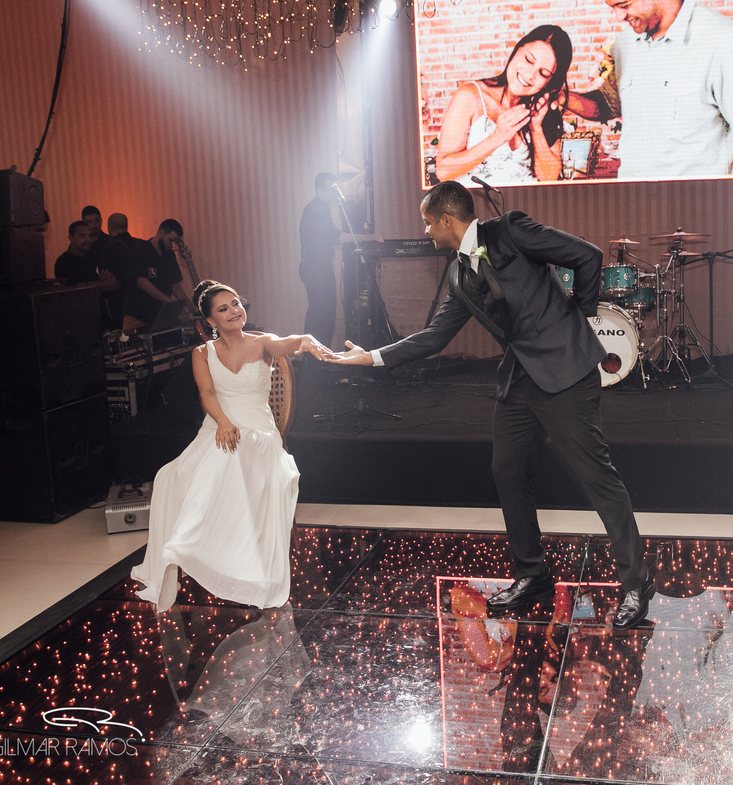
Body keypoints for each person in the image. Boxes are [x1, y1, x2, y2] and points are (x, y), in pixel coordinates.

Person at [330, 181, 654, 630]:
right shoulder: (460, 275)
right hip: (519, 380)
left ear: (446, 219)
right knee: (506, 470)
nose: (425, 232)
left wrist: (574, 322)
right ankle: (533, 575)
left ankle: (637, 583)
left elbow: (588, 256)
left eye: (428, 223)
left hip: (565, 374)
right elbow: (437, 335)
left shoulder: (510, 231)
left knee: (596, 478)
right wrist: (372, 356)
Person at [131, 280, 334, 611]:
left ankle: (218, 558)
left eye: (236, 304)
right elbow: (207, 394)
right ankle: (190, 548)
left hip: (259, 431)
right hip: (217, 426)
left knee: (236, 451)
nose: (233, 311)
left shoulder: (263, 343)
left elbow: (289, 342)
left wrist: (306, 340)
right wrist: (224, 423)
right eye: (223, 309)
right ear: (210, 321)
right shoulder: (202, 353)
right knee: (171, 476)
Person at [567, 0, 733, 179]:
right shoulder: (625, 44)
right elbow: (606, 105)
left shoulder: (724, 41)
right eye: (613, 7)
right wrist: (562, 97)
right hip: (632, 205)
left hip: (696, 210)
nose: (619, 16)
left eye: (624, 6)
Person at [435, 25, 573, 185]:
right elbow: (443, 172)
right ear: (517, 50)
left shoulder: (543, 109)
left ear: (549, 82)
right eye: (528, 60)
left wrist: (536, 127)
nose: (529, 75)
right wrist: (498, 137)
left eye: (543, 73)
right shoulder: (470, 96)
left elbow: (549, 178)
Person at [299, 173, 343, 347]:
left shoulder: (315, 208)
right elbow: (334, 236)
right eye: (333, 188)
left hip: (315, 268)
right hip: (316, 269)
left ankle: (315, 359)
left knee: (321, 313)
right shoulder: (318, 209)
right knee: (322, 315)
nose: (336, 193)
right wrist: (366, 237)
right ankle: (315, 360)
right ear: (321, 189)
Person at [123, 218, 189, 330]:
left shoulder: (169, 255)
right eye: (170, 240)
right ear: (161, 233)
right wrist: (169, 301)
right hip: (139, 315)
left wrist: (192, 307)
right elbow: (142, 282)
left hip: (160, 315)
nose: (172, 245)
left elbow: (175, 285)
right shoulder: (141, 250)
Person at [54, 220, 120, 329]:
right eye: (82, 236)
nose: (88, 239)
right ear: (71, 237)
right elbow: (78, 290)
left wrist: (91, 285)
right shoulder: (64, 261)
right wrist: (101, 284)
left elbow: (114, 284)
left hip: (100, 317)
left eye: (90, 236)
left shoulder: (95, 256)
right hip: (78, 320)